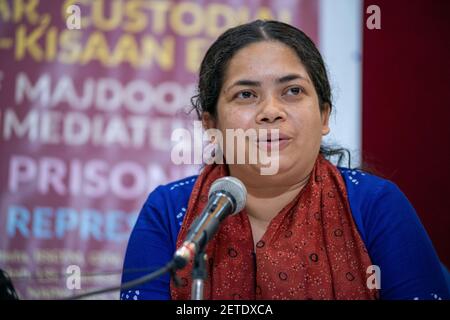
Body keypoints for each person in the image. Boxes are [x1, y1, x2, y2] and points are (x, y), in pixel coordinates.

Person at [120, 20, 450, 300]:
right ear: (211, 126)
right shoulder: (168, 211)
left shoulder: (376, 205)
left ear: (323, 116)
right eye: (246, 94)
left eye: (292, 91)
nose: (270, 112)